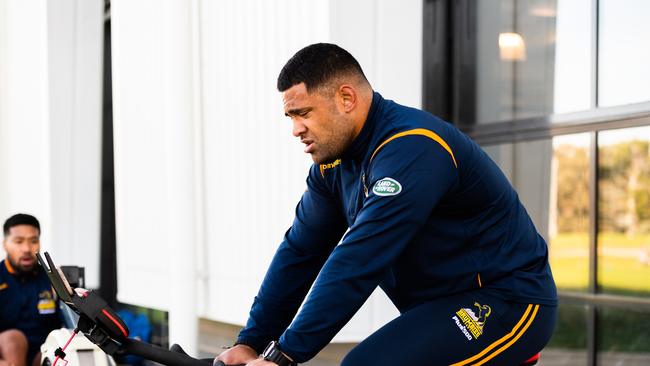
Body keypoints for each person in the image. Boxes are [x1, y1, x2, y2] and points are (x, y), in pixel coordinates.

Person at [216, 43, 557, 366]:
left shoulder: (413, 147)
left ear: (346, 98)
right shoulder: (331, 167)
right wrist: (253, 341)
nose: (295, 129)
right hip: (438, 308)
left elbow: (358, 260)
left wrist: (284, 355)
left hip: (510, 302)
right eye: (289, 117)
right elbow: (300, 253)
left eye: (303, 113)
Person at [0, 214, 61, 366]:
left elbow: (70, 326)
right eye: (18, 241)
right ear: (5, 244)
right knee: (13, 340)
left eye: (33, 241)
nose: (27, 249)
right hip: (7, 354)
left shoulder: (53, 279)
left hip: (43, 354)